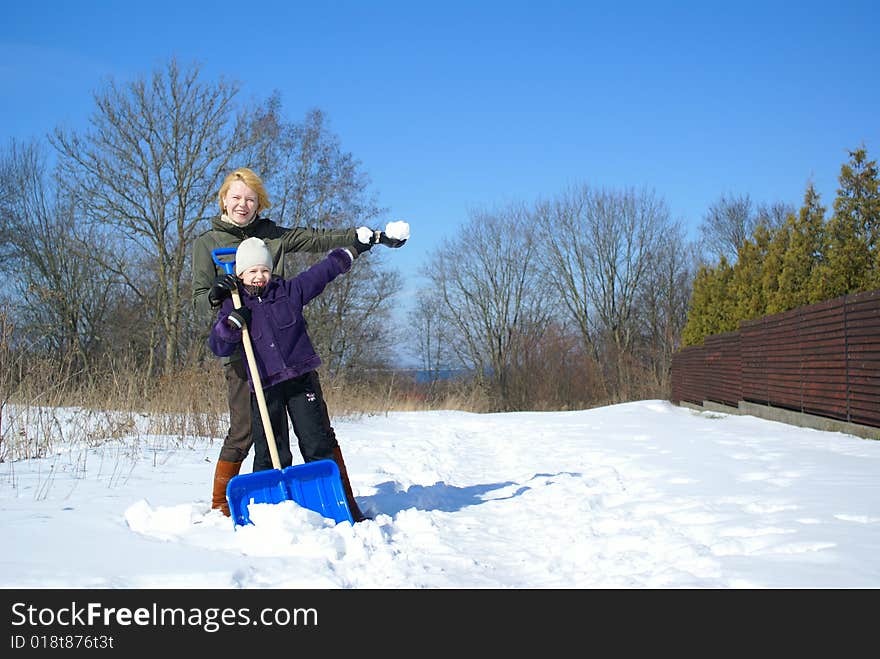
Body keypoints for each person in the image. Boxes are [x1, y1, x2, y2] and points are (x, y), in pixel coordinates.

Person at [192, 167, 408, 520]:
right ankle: (221, 506)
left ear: (258, 203)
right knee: (246, 431)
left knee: (315, 432)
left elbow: (315, 241)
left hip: (285, 351)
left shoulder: (271, 236)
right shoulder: (207, 243)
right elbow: (200, 299)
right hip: (242, 354)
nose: (242, 205)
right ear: (223, 200)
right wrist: (216, 297)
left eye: (250, 199)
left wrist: (359, 239)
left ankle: (343, 500)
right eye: (236, 198)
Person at [206, 237, 376, 520]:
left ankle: (336, 503)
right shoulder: (233, 305)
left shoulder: (288, 292)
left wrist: (353, 249)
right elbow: (218, 347)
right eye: (252, 271)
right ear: (240, 273)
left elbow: (322, 273)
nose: (259, 276)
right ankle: (267, 512)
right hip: (264, 386)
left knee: (316, 442)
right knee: (270, 451)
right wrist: (232, 324)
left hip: (300, 380)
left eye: (264, 270)